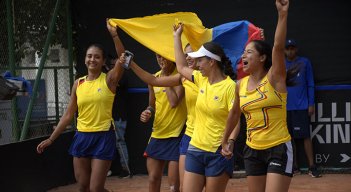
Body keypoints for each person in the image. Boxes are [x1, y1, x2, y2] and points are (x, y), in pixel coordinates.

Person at [107, 20, 187, 192]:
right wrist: (148, 111)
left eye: (163, 56)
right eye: (157, 56)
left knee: (174, 186)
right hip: (158, 134)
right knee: (153, 179)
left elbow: (174, 103)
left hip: (176, 135)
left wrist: (166, 75)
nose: (160, 60)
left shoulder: (180, 76)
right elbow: (152, 104)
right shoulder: (154, 78)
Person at [222, 0, 293, 192]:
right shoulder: (240, 85)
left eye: (249, 52)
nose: (243, 56)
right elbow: (234, 114)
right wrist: (225, 139)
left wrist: (282, 15)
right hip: (252, 150)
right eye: (243, 53)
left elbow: (277, 47)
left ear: (262, 58)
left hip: (278, 148)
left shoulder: (275, 78)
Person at [36, 43, 125, 192]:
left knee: (96, 188)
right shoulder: (78, 83)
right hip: (82, 137)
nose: (92, 59)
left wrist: (114, 36)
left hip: (103, 137)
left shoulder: (109, 79)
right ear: (85, 59)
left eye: (97, 57)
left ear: (103, 61)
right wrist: (51, 139)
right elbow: (69, 114)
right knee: (83, 186)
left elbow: (122, 58)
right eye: (89, 56)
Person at [173, 23, 237, 192]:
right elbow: (180, 67)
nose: (197, 63)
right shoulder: (201, 79)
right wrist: (176, 37)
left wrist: (229, 142)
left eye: (200, 60)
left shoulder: (230, 87)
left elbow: (236, 120)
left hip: (217, 152)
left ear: (212, 62)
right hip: (195, 149)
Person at [285, 38, 321, 178]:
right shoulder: (280, 63)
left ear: (296, 49)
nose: (290, 51)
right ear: (283, 50)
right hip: (285, 108)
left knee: (306, 136)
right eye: (287, 48)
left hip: (301, 106)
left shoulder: (305, 62)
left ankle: (312, 167)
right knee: (289, 138)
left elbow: (310, 83)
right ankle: (294, 167)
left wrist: (310, 103)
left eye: (292, 48)